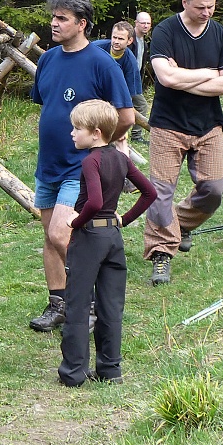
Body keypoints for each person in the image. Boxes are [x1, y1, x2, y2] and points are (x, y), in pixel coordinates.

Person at [28, 0, 135, 332]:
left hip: (80, 166)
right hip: (49, 164)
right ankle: (58, 303)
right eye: (53, 17)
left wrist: (100, 149)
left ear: (82, 24)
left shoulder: (102, 63)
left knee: (64, 234)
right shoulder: (47, 59)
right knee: (50, 235)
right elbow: (46, 104)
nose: (53, 23)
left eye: (62, 19)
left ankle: (90, 301)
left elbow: (127, 115)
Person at [143, 0, 223, 286]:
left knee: (215, 188)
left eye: (211, 7)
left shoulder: (221, 35)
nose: (207, 12)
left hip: (209, 125)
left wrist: (184, 77)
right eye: (200, 7)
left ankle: (180, 225)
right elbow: (166, 79)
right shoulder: (165, 32)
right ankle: (161, 254)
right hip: (167, 125)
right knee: (160, 193)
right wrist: (208, 75)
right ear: (185, 2)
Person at [58, 100, 156, 386]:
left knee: (77, 304)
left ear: (96, 132)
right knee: (111, 305)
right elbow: (149, 193)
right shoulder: (122, 159)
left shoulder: (91, 160)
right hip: (113, 238)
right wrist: (123, 219)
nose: (73, 134)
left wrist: (75, 222)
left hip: (89, 238)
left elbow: (95, 202)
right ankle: (110, 370)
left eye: (77, 129)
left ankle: (74, 373)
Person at [92, 21, 144, 145]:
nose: (116, 41)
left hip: (114, 93)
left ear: (129, 41)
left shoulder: (130, 62)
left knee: (140, 105)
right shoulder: (96, 48)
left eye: (121, 39)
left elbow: (128, 95)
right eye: (114, 37)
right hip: (93, 86)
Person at [129, 12, 153, 141]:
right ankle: (136, 136)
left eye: (148, 23)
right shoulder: (128, 39)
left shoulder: (143, 41)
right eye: (143, 23)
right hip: (125, 81)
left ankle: (134, 136)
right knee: (141, 105)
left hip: (134, 81)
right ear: (136, 23)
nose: (145, 26)